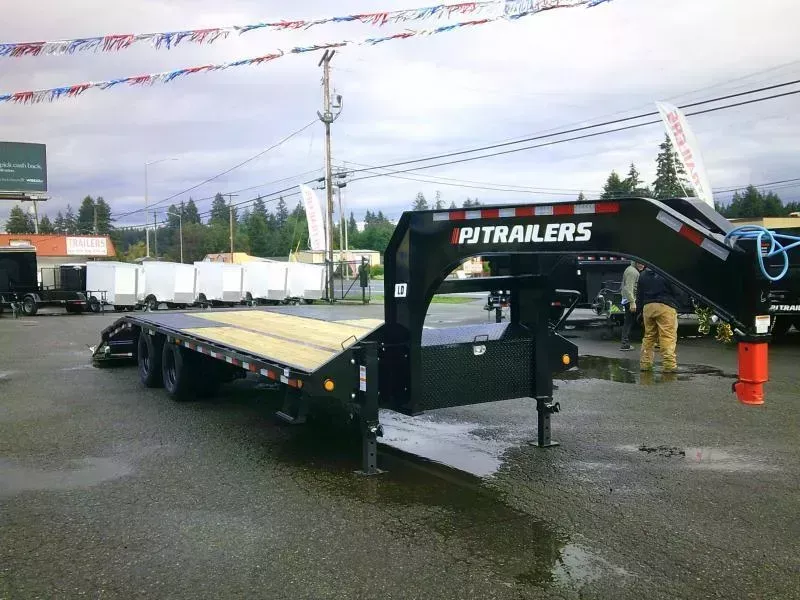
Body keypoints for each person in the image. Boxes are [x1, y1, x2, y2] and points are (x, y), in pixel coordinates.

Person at [636, 267, 682, 372]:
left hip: (648, 307)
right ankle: (669, 365)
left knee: (649, 336)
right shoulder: (666, 272)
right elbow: (677, 290)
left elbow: (639, 294)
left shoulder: (643, 275)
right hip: (665, 306)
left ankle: (645, 363)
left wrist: (639, 311)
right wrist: (678, 304)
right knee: (667, 336)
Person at [620, 261, 643, 351]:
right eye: (639, 263)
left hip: (629, 300)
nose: (642, 265)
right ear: (635, 262)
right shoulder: (633, 272)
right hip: (631, 301)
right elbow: (629, 288)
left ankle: (625, 343)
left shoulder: (631, 270)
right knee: (630, 322)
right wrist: (632, 302)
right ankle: (624, 343)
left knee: (629, 321)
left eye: (643, 263)